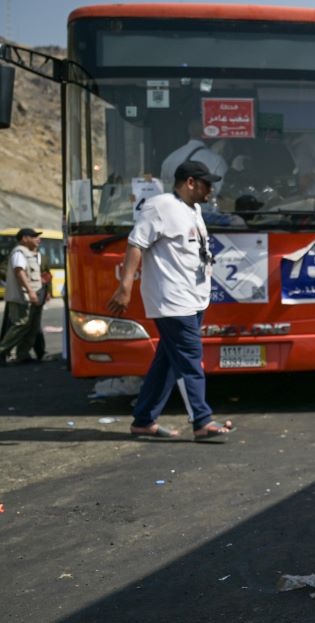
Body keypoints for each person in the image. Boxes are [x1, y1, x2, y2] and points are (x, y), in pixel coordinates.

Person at [107, 161, 234, 442]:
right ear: (190, 182)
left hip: (193, 298)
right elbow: (136, 244)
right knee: (190, 360)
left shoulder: (194, 209)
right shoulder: (160, 206)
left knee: (166, 362)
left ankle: (143, 420)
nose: (211, 190)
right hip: (172, 300)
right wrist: (125, 286)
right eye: (206, 184)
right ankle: (201, 420)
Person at [0, 228, 43, 366]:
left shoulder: (30, 253)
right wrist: (31, 292)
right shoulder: (19, 252)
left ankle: (23, 354)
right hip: (22, 297)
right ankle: (1, 353)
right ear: (24, 238)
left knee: (31, 327)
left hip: (32, 296)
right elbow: (19, 272)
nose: (37, 239)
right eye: (33, 237)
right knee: (21, 324)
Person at [160, 120, 228, 197]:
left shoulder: (170, 158)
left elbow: (165, 190)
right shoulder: (217, 160)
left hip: (175, 207)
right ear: (207, 134)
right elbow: (220, 193)